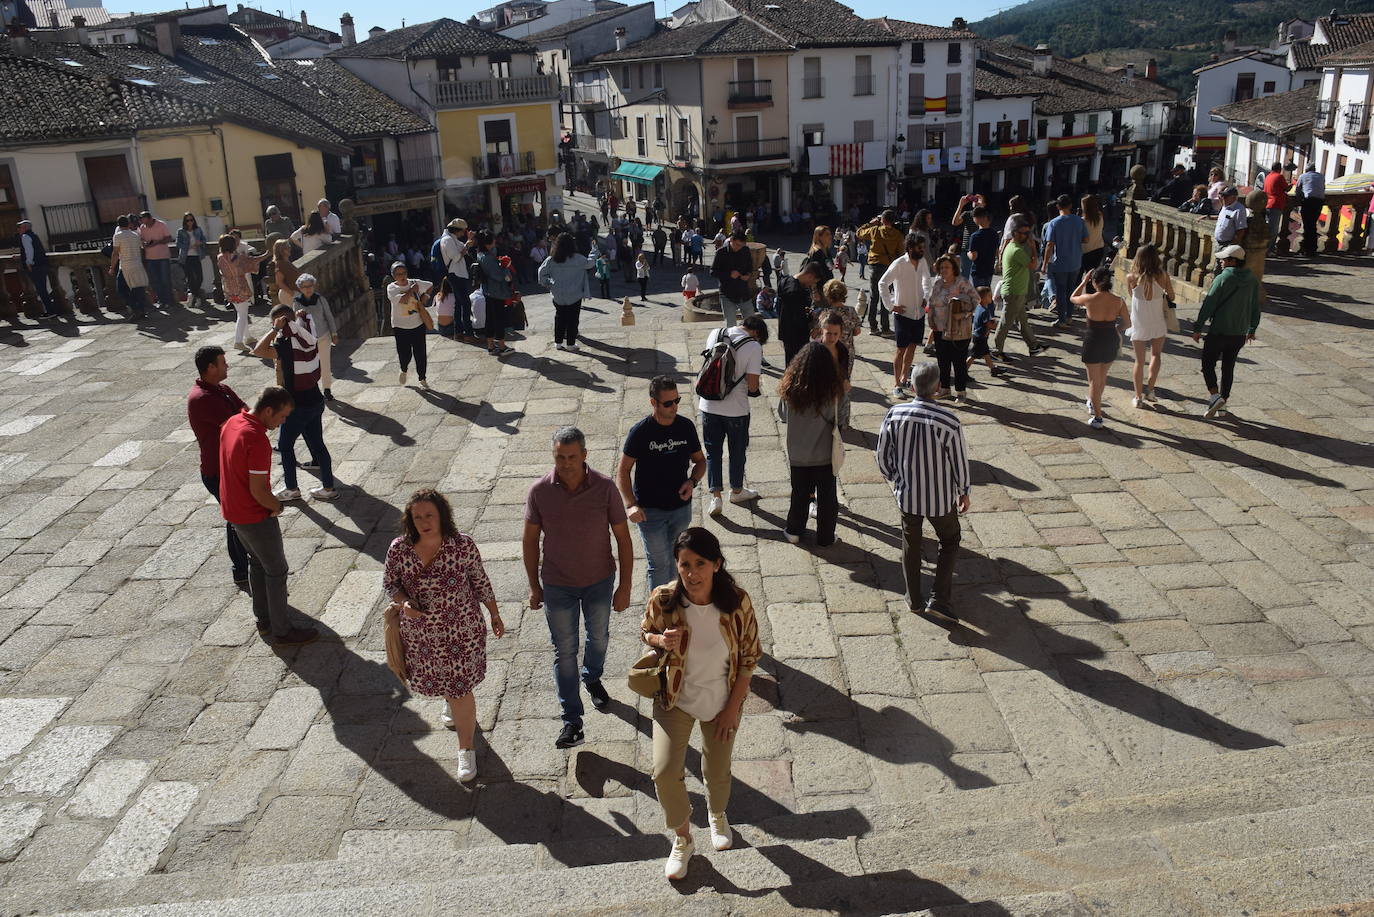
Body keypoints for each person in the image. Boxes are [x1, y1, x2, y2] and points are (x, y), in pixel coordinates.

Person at [641, 527, 760, 880]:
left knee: (717, 770)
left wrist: (730, 709)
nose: (692, 573)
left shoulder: (738, 603)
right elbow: (645, 629)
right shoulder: (664, 600)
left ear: (717, 565)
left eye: (700, 564)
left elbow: (750, 658)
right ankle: (683, 839)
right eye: (684, 564)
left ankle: (717, 813)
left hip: (722, 700)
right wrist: (660, 639)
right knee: (663, 773)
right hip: (674, 700)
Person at [523, 427, 634, 749]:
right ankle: (572, 720)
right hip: (558, 585)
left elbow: (623, 539)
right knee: (565, 651)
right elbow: (530, 540)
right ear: (553, 456)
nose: (566, 463)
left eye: (572, 457)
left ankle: (593, 676)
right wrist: (534, 585)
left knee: (598, 637)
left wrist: (625, 586)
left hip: (600, 581)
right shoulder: (540, 491)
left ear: (584, 455)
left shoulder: (605, 488)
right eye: (560, 457)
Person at [384, 489, 502, 782]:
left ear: (441, 516)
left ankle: (467, 749)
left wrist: (495, 613)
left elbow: (480, 581)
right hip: (422, 635)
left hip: (462, 630)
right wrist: (403, 603)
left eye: (429, 515)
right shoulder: (399, 549)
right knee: (448, 686)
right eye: (418, 516)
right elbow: (390, 583)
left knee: (461, 688)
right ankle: (451, 703)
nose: (424, 522)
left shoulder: (462, 546)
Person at [218, 385, 318, 645]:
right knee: (277, 570)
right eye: (282, 416)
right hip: (254, 515)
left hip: (233, 511)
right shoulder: (256, 439)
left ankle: (263, 620)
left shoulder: (233, 422)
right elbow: (259, 490)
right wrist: (277, 506)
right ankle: (283, 630)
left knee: (256, 562)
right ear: (268, 410)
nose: (283, 422)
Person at [877, 361, 970, 620]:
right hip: (940, 499)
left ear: (913, 385)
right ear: (938, 387)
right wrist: (964, 491)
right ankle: (939, 598)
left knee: (911, 544)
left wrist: (896, 477)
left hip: (908, 495)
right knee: (949, 540)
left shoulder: (894, 414)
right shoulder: (949, 421)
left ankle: (914, 598)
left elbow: (882, 454)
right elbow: (959, 461)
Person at [618, 376, 706, 589]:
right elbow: (623, 470)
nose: (674, 407)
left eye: (677, 400)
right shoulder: (640, 432)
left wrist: (692, 482)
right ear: (653, 403)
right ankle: (658, 617)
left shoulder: (685, 427)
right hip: (650, 512)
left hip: (680, 509)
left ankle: (675, 608)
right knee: (658, 565)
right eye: (668, 403)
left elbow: (700, 461)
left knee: (678, 562)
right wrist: (631, 505)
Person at [252, 303, 339, 500]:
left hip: (295, 406)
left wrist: (274, 329)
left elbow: (259, 350)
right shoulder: (307, 335)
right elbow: (302, 324)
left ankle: (291, 489)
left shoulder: (285, 344)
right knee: (318, 445)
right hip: (315, 399)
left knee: (285, 446)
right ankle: (329, 488)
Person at [187, 346, 251, 587]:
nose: (227, 366)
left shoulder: (222, 389)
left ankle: (244, 566)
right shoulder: (202, 399)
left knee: (238, 518)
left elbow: (244, 411)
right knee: (237, 519)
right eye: (223, 362)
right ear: (210, 367)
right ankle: (241, 569)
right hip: (218, 471)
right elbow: (238, 422)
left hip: (231, 466)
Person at [698, 315, 767, 515]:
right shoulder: (753, 346)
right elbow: (752, 385)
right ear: (757, 332)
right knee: (737, 451)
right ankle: (736, 490)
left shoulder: (715, 333)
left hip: (708, 404)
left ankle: (715, 498)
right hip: (736, 409)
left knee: (713, 452)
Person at [778, 341, 844, 545]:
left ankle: (794, 531)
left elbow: (783, 415)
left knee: (799, 495)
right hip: (825, 455)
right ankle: (825, 537)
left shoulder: (790, 391)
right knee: (827, 499)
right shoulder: (834, 392)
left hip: (798, 454)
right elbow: (841, 419)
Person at [1192, 244, 1261, 418]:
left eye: (1224, 259)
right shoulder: (1252, 280)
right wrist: (1252, 328)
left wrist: (1198, 326)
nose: (1221, 261)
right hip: (1239, 333)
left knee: (1208, 364)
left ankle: (1215, 396)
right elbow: (1255, 306)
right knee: (1228, 367)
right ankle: (1223, 404)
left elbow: (1209, 304)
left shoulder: (1222, 279)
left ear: (1233, 261)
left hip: (1219, 331)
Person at [1070, 265, 1131, 430]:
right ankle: (1094, 403)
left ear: (1094, 282)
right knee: (1102, 377)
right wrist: (1115, 329)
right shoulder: (1119, 301)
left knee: (1093, 381)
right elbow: (1127, 323)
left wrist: (1083, 282)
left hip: (1093, 340)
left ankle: (1098, 415)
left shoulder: (1089, 299)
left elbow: (1073, 297)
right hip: (1110, 339)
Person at [877, 232, 931, 399]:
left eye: (923, 247)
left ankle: (905, 377)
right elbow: (882, 283)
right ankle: (897, 384)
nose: (922, 250)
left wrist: (926, 297)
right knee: (900, 350)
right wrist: (891, 306)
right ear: (910, 247)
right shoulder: (899, 263)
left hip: (919, 313)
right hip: (903, 314)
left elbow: (927, 281)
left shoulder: (922, 261)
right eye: (919, 247)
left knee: (913, 347)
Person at [1124, 243, 1173, 410]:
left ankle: (1137, 397)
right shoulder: (1163, 276)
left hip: (1139, 321)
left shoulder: (1131, 277)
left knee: (1139, 361)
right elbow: (1172, 296)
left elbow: (1131, 296)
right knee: (1156, 355)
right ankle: (1150, 390)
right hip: (1157, 320)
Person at [926, 254, 977, 403]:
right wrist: (930, 318)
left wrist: (963, 314)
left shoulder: (962, 282)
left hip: (958, 329)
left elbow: (976, 299)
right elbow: (931, 302)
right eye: (941, 267)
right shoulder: (937, 283)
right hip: (939, 328)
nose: (943, 270)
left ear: (953, 268)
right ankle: (945, 389)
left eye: (947, 267)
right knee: (943, 361)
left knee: (959, 361)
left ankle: (961, 391)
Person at [993, 222, 1046, 361]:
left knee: (1022, 320)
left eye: (1028, 233)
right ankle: (996, 350)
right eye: (1023, 233)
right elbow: (1033, 265)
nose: (1026, 236)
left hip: (1016, 292)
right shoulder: (1017, 250)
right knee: (1006, 322)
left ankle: (1034, 346)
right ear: (1015, 233)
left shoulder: (1011, 246)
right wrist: (1033, 248)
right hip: (1014, 292)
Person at [1041, 195, 1088, 330]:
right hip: (1075, 260)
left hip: (1060, 262)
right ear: (1071, 205)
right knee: (1071, 289)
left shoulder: (1054, 223)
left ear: (1057, 207)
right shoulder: (1079, 221)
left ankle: (1062, 319)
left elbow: (1050, 244)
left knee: (1061, 291)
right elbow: (1086, 239)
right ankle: (1069, 316)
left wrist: (1044, 263)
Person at [538, 232, 592, 352]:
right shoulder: (578, 258)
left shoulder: (551, 259)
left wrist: (548, 283)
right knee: (573, 318)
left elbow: (541, 273)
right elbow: (590, 263)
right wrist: (594, 252)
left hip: (558, 294)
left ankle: (558, 342)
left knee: (559, 317)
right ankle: (571, 343)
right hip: (574, 294)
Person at [386, 261, 434, 386]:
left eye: (404, 273)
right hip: (400, 327)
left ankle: (422, 378)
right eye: (398, 274)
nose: (402, 276)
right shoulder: (392, 288)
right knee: (404, 353)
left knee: (420, 353)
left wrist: (426, 297)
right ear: (393, 276)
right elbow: (402, 300)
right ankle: (403, 369)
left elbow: (430, 285)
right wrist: (412, 291)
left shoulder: (414, 283)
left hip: (417, 324)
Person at [216, 233, 266, 348]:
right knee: (243, 315)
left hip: (229, 288)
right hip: (240, 288)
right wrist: (268, 254)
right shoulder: (238, 257)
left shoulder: (220, 257)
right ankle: (238, 341)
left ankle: (247, 337)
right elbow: (254, 260)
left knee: (241, 312)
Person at [858, 210, 904, 336]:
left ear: (882, 220)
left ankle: (873, 326)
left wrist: (870, 223)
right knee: (886, 296)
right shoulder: (898, 235)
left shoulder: (875, 230)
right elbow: (901, 253)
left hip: (874, 266)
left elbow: (859, 233)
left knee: (874, 296)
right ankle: (885, 328)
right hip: (888, 267)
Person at [294, 273, 338, 400]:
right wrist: (298, 314)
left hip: (323, 335)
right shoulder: (297, 302)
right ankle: (314, 389)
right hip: (307, 339)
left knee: (325, 363)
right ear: (300, 288)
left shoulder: (320, 299)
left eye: (310, 286)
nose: (308, 289)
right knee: (310, 365)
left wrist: (334, 333)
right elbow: (296, 320)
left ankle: (327, 389)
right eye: (304, 287)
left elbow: (329, 316)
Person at [476, 231, 516, 357]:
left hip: (488, 291)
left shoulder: (481, 254)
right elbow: (498, 276)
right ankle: (502, 347)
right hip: (496, 291)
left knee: (490, 318)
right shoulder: (487, 257)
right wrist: (505, 267)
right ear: (488, 243)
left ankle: (490, 346)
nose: (495, 242)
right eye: (492, 240)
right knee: (499, 319)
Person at [776, 262, 820, 366]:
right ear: (810, 276)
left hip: (785, 329)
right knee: (797, 365)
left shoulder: (785, 280)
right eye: (813, 281)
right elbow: (798, 318)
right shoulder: (797, 292)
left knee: (790, 362)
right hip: (796, 334)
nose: (812, 285)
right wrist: (811, 318)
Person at [438, 218, 474, 342]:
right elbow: (457, 257)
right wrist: (467, 245)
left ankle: (458, 332)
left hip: (458, 274)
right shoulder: (447, 240)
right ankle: (468, 333)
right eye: (462, 231)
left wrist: (468, 243)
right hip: (456, 274)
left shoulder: (452, 239)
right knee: (466, 303)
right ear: (457, 230)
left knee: (459, 304)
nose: (463, 233)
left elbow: (461, 249)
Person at [710, 230, 755, 327]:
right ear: (731, 240)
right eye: (737, 245)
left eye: (741, 245)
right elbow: (713, 272)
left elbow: (750, 266)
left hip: (743, 292)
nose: (739, 248)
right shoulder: (721, 253)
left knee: (751, 322)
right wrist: (728, 274)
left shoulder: (745, 250)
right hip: (727, 293)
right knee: (730, 324)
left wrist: (748, 274)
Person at [16, 219, 57, 319]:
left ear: (24, 228)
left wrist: (29, 262)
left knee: (41, 289)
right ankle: (51, 310)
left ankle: (50, 311)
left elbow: (29, 250)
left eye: (19, 227)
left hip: (35, 266)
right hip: (42, 264)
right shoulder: (34, 235)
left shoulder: (25, 237)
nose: (18, 230)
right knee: (43, 288)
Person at [966, 285, 1007, 380]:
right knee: (973, 355)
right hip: (980, 337)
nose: (991, 297)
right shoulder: (985, 311)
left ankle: (993, 369)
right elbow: (988, 324)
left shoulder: (979, 308)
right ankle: (962, 372)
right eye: (989, 295)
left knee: (986, 353)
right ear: (982, 298)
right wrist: (996, 325)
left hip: (979, 336)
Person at [138, 211, 176, 309]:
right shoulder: (142, 227)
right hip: (150, 258)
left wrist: (157, 242)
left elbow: (169, 238)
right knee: (155, 281)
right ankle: (161, 301)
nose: (143, 222)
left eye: (144, 220)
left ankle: (169, 301)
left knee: (165, 280)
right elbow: (141, 239)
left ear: (149, 218)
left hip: (163, 256)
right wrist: (144, 243)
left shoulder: (161, 225)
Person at [176, 213, 208, 308]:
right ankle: (196, 298)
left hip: (196, 255)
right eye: (187, 220)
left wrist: (199, 243)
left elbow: (204, 240)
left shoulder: (198, 230)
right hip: (186, 257)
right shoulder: (181, 231)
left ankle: (192, 295)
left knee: (199, 277)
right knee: (190, 278)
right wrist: (188, 246)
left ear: (194, 221)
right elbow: (178, 244)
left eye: (191, 220)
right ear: (184, 222)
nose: (189, 222)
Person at [1295, 163, 1327, 257]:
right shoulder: (1321, 176)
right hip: (1319, 202)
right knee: (1313, 225)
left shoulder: (1303, 176)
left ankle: (1307, 249)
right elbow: (1323, 188)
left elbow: (1298, 190)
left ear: (1306, 170)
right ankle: (1312, 249)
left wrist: (1300, 199)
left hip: (1308, 201)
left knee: (1307, 226)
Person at [965, 207, 998, 290]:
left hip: (978, 271)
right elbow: (997, 251)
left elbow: (973, 256)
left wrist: (968, 253)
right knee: (986, 294)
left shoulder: (975, 236)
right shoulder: (994, 234)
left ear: (978, 218)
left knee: (977, 296)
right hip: (989, 269)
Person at [1262, 162, 1289, 253]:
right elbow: (1286, 188)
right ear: (1279, 169)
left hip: (1267, 203)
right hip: (1276, 204)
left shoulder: (1268, 176)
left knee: (1268, 228)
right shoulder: (1279, 176)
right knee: (1273, 230)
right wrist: (1291, 185)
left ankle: (1266, 249)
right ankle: (1269, 250)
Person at [1080, 194, 1106, 276]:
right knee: (1094, 275)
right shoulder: (1100, 216)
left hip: (1086, 251)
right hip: (1099, 248)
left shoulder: (1082, 221)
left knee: (1085, 276)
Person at [272, 239, 301, 307]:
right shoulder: (280, 264)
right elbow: (279, 282)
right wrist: (293, 294)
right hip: (288, 294)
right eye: (287, 247)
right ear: (282, 250)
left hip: (293, 292)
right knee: (300, 314)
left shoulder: (286, 262)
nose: (290, 248)